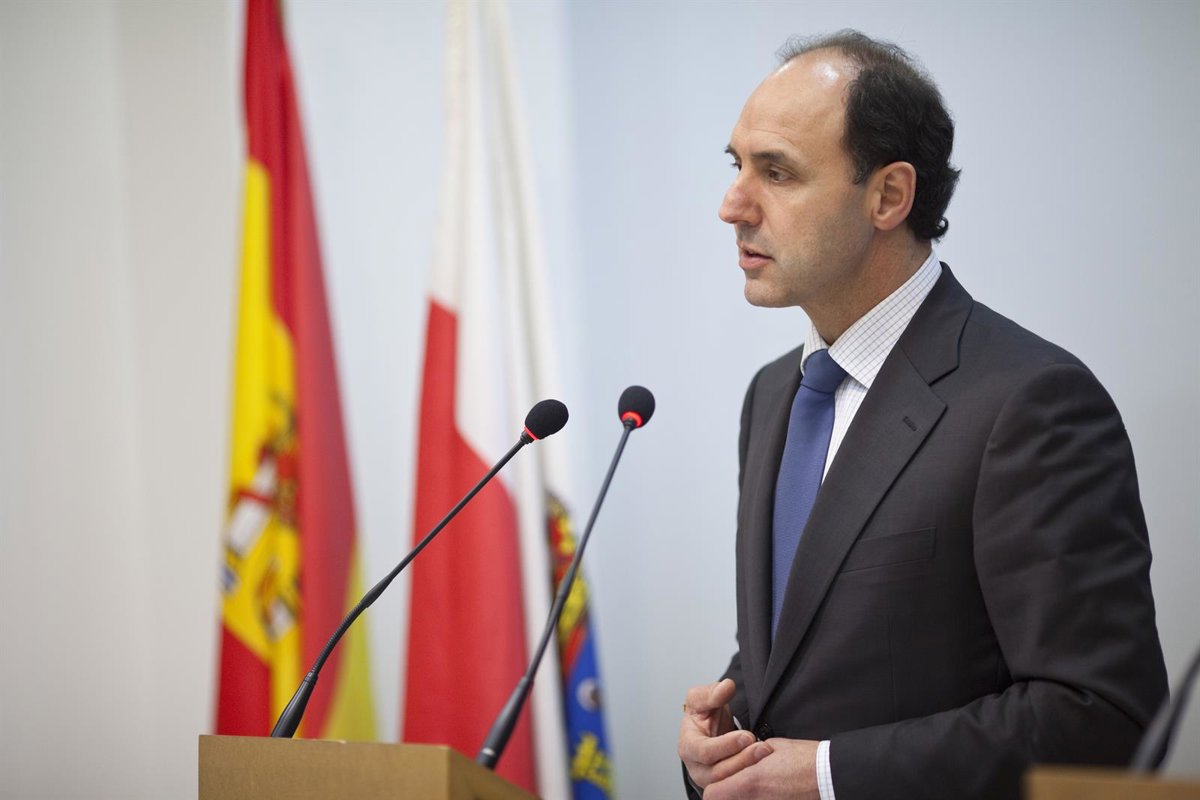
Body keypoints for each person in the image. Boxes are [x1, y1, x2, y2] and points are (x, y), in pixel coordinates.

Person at [677, 30, 1167, 800]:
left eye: (776, 172)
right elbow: (798, 658)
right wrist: (722, 741)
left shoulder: (1031, 403)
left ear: (888, 197)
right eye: (736, 165)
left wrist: (829, 774)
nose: (731, 205)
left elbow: (1101, 718)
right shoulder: (773, 396)